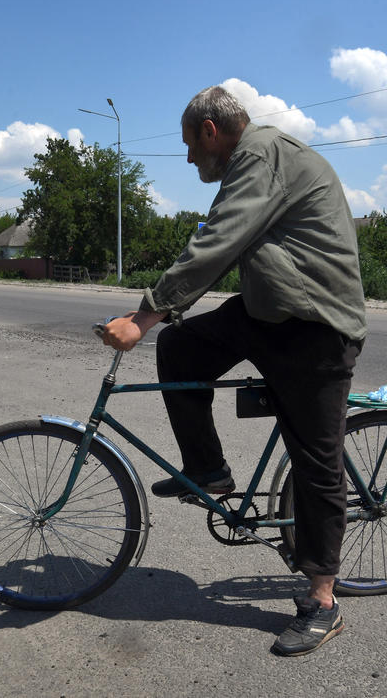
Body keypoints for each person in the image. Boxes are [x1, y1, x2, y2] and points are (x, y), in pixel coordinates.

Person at [100, 85, 366, 657]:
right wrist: (158, 315)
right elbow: (218, 246)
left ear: (211, 131)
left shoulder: (261, 156)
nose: (190, 158)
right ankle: (210, 469)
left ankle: (322, 601)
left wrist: (144, 316)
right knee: (181, 349)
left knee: (316, 461)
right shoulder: (250, 161)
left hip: (316, 325)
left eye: (190, 146)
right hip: (270, 313)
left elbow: (218, 242)